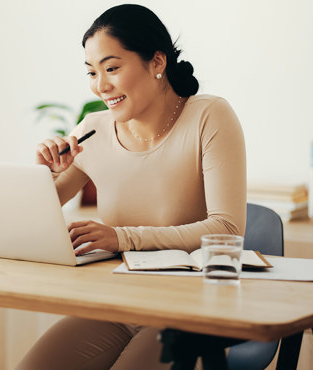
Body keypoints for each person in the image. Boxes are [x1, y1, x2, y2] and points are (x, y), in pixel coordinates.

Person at [17, 4, 246, 369]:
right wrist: (43, 173)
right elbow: (35, 216)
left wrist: (121, 238)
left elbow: (227, 229)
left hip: (189, 309)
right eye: (92, 72)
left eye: (112, 68)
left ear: (157, 62)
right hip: (117, 302)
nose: (100, 85)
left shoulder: (208, 116)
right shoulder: (93, 129)